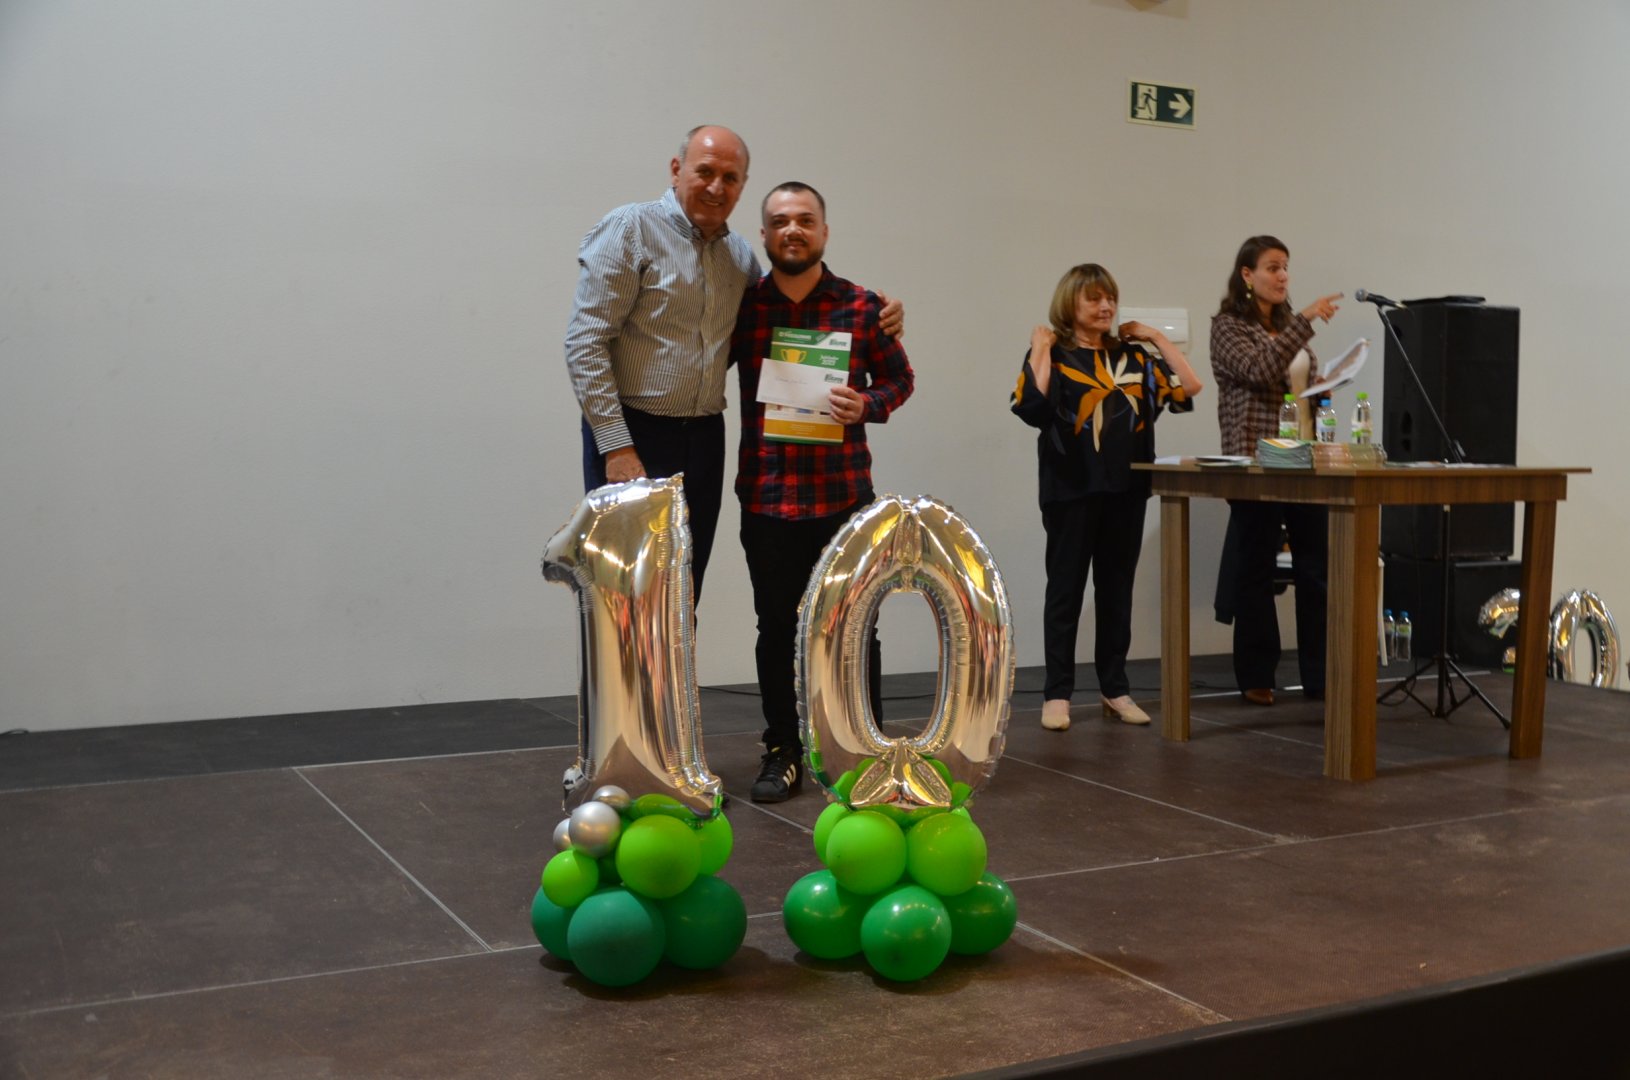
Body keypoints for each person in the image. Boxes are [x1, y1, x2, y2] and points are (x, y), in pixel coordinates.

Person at [563, 125, 902, 606]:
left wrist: (881, 313)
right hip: (634, 434)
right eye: (705, 172)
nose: (716, 187)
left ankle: (679, 662)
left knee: (683, 590)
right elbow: (585, 342)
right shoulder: (630, 229)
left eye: (730, 177)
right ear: (676, 170)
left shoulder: (739, 258)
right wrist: (617, 446)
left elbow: (784, 315)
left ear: (742, 186)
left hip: (704, 438)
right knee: (621, 597)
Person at [730, 182, 914, 802]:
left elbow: (900, 379)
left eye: (805, 220)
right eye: (781, 221)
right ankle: (783, 748)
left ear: (824, 232)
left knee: (857, 625)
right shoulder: (742, 309)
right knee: (776, 628)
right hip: (767, 497)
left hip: (843, 497)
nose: (794, 230)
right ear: (764, 235)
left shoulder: (863, 306)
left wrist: (868, 404)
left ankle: (866, 750)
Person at [1011, 264, 1200, 732]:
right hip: (1070, 490)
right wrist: (1040, 346)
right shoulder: (1055, 354)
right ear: (1070, 302)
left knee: (1116, 592)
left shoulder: (1133, 357)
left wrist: (1156, 336)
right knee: (1066, 592)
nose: (1105, 306)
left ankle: (1115, 689)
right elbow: (1032, 406)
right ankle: (1057, 694)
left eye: (1110, 297)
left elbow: (1189, 387)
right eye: (1094, 298)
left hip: (1126, 490)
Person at [1209, 235, 1342, 705]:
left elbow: (1295, 384)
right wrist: (1305, 319)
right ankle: (1256, 674)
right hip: (1257, 461)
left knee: (1316, 570)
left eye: (1285, 267)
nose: (1282, 276)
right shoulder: (1228, 327)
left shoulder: (1287, 327)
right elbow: (1259, 370)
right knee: (1256, 569)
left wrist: (1323, 389)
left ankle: (1320, 676)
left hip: (1305, 459)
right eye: (1272, 267)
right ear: (1247, 275)